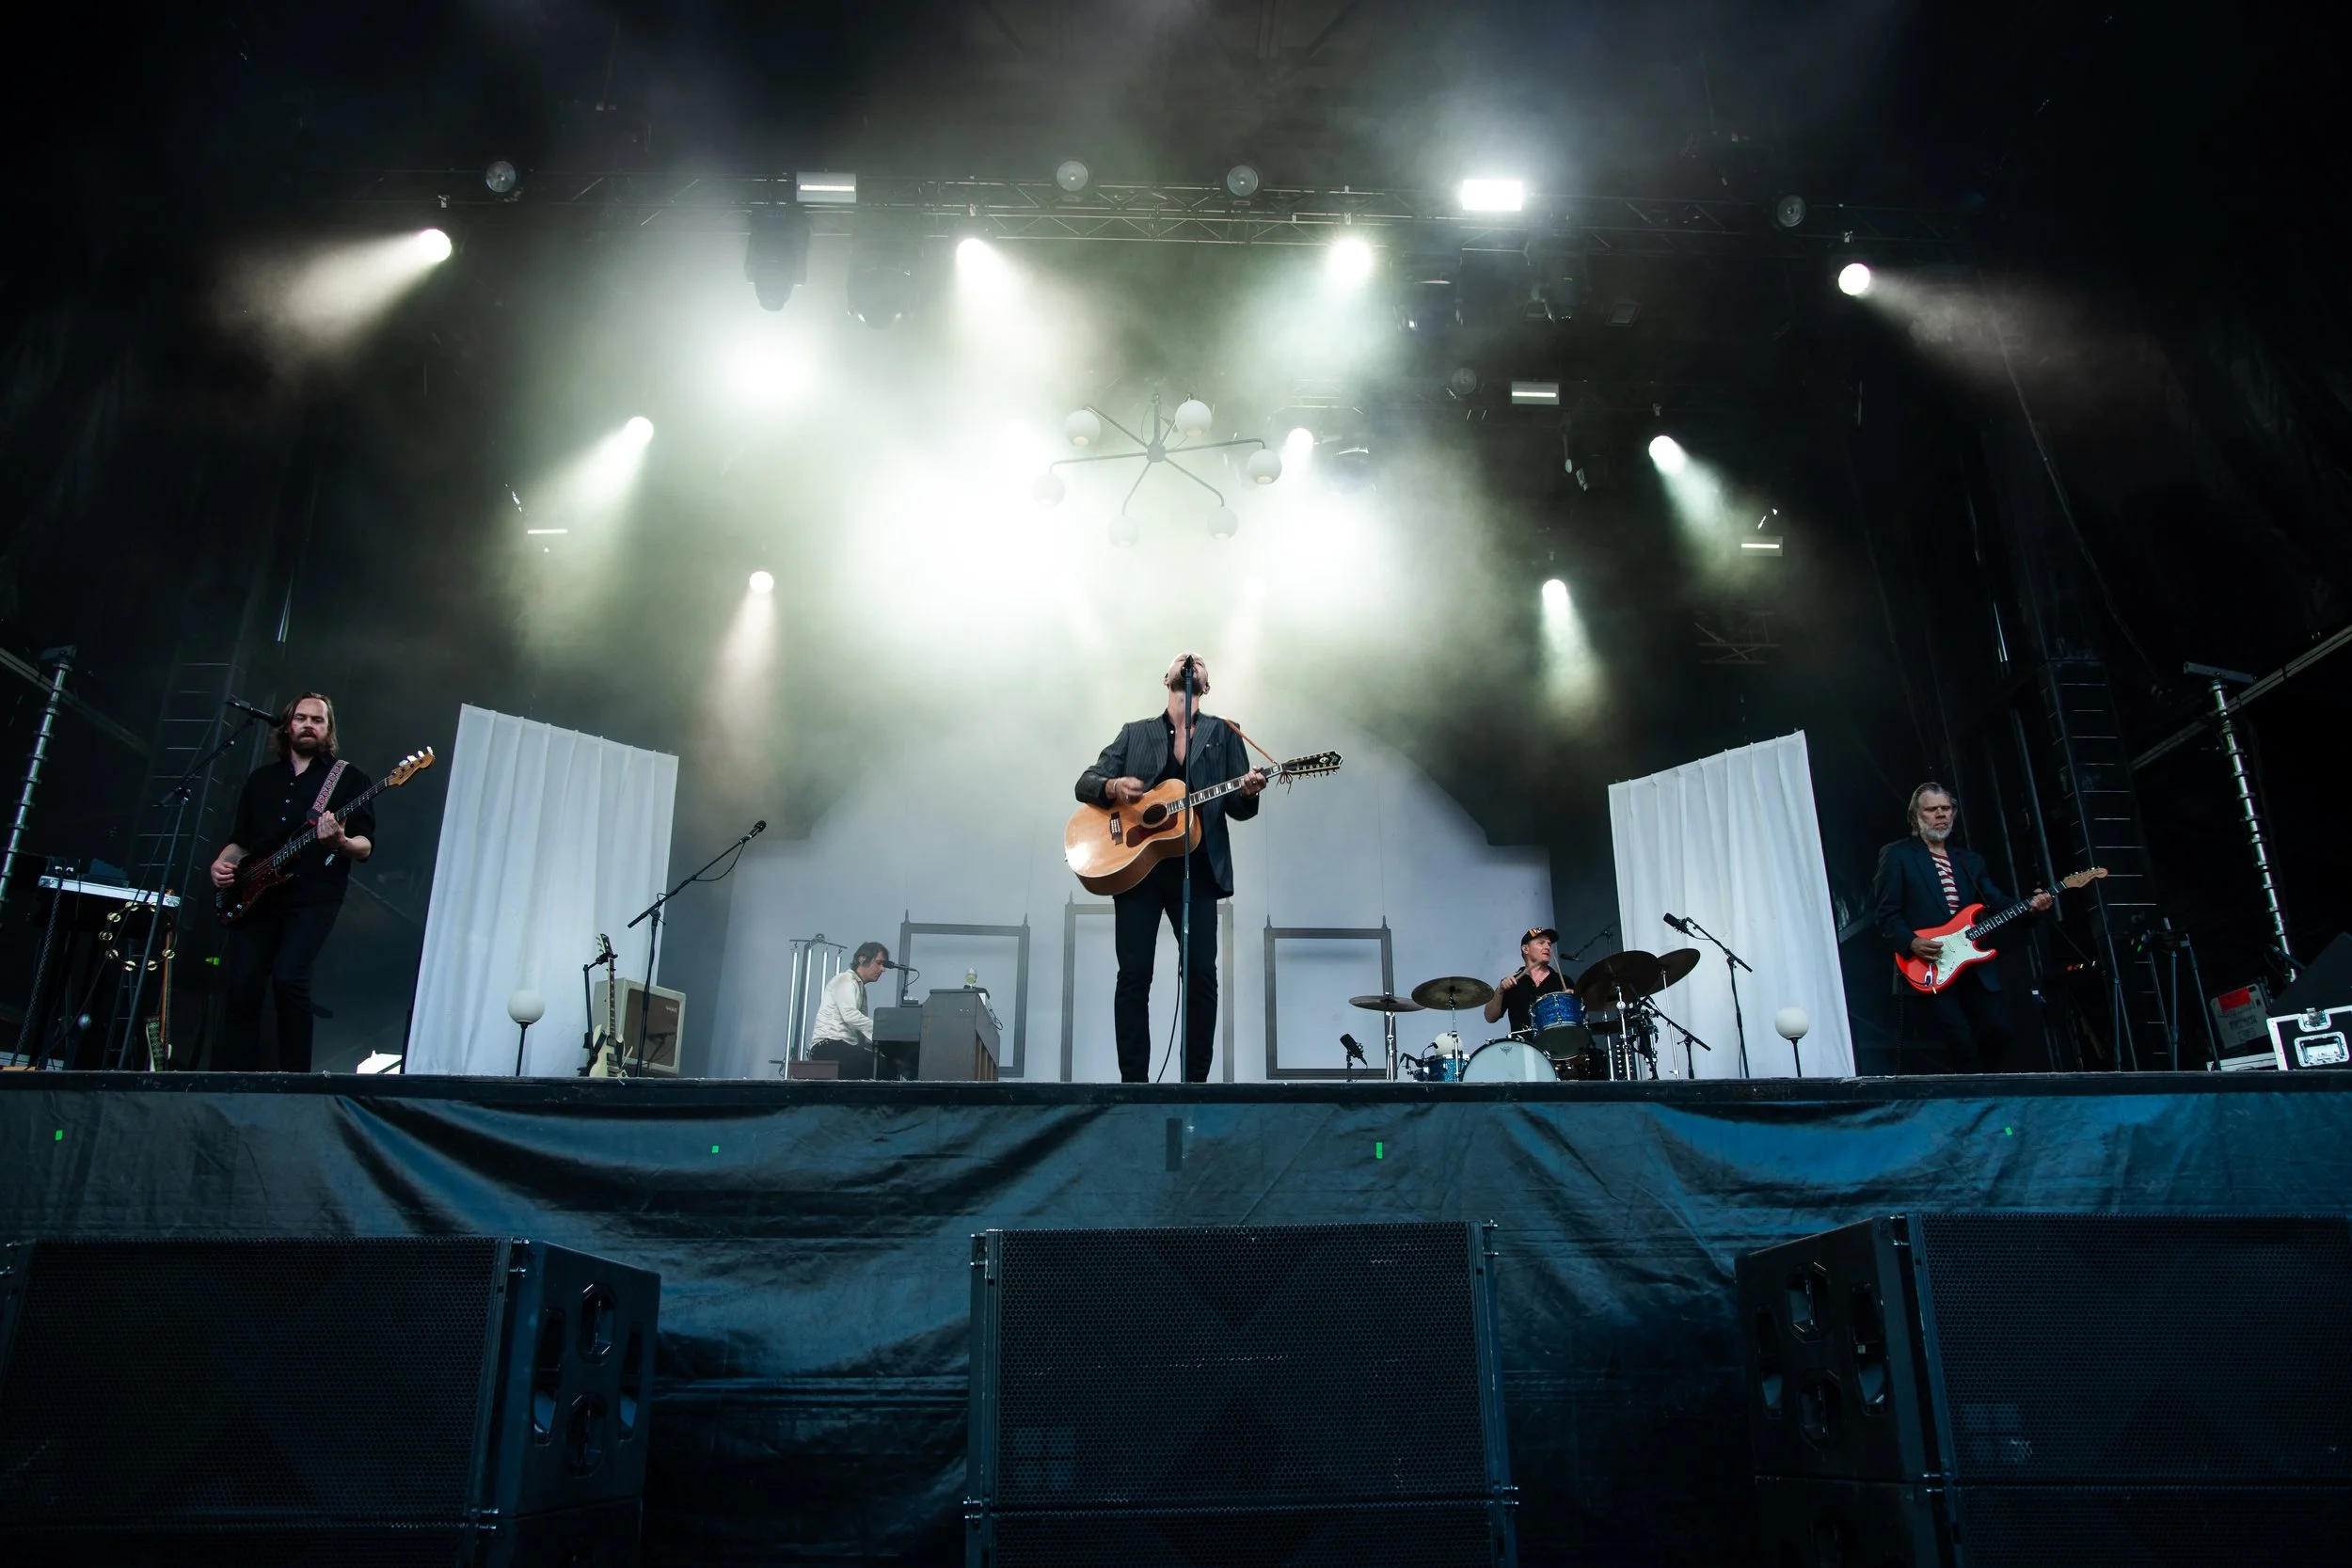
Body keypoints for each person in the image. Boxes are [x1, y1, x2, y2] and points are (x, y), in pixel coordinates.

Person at [1075, 653, 1266, 1082]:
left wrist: (1250, 792)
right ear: (1167, 678)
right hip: (1138, 869)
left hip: (1198, 870)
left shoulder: (1225, 733)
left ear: (1206, 686)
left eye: (1198, 661)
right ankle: (1134, 1086)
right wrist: (1112, 785)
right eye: (1183, 660)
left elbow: (1238, 808)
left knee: (1201, 974)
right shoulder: (1135, 733)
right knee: (1134, 974)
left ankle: (1196, 1083)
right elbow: (1084, 783)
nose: (1191, 659)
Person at [207, 693, 374, 1071]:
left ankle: (296, 1080)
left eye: (318, 720)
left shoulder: (348, 778)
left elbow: (364, 846)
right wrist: (222, 861)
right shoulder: (261, 779)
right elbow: (242, 840)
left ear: (328, 730)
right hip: (255, 895)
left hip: (312, 897)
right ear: (288, 725)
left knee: (288, 979)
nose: (309, 725)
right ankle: (231, 1076)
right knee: (243, 985)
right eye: (301, 718)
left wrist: (341, 841)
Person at [1871, 782, 2052, 1072]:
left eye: (1946, 808)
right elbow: (1886, 913)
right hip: (1932, 963)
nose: (1940, 815)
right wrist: (1911, 943)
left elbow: (1994, 900)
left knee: (2001, 1031)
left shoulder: (1969, 860)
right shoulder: (1897, 855)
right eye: (1932, 810)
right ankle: (1973, 1096)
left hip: (1971, 964)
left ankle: (1983, 1084)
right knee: (1960, 1041)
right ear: (1916, 817)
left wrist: (2029, 907)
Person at [1484, 926, 1574, 1035]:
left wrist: (1571, 1002)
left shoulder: (1563, 981)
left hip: (1557, 1045)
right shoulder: (1512, 982)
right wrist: (1500, 990)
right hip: (1522, 1048)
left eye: (1549, 944)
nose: (1547, 947)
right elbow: (1490, 1017)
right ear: (1525, 949)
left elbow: (1580, 1019)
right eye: (1541, 943)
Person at [812, 942, 889, 1057]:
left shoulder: (859, 986)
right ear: (862, 959)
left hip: (839, 1046)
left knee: (884, 1063)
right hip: (828, 1046)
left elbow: (858, 1029)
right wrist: (882, 1031)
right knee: (884, 1068)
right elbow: (850, 1014)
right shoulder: (846, 980)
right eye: (879, 963)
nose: (883, 969)